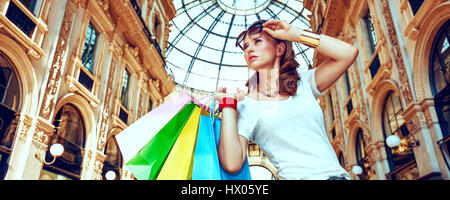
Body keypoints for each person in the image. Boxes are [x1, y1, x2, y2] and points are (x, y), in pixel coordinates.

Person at [215, 19, 359, 180]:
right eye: (246, 46)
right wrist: (228, 105)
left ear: (279, 49)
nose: (249, 50)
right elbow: (232, 163)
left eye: (257, 41)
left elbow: (348, 53)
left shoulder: (304, 82)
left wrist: (296, 34)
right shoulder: (245, 105)